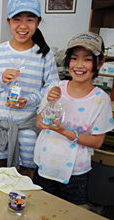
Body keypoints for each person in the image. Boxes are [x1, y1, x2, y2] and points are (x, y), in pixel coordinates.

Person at [33, 31, 114, 205]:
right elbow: (40, 124)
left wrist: (65, 131)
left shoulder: (101, 99)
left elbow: (98, 142)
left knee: (70, 212)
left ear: (100, 63)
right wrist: (50, 102)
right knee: (40, 208)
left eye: (87, 59)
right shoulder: (55, 88)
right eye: (74, 58)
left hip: (75, 171)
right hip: (45, 164)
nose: (79, 65)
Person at [0, 0, 59, 177]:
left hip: (28, 127)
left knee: (26, 172)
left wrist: (29, 100)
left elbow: (52, 89)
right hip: (1, 126)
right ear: (8, 22)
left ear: (38, 23)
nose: (23, 26)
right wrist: (1, 80)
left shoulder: (45, 55)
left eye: (30, 20)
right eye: (17, 19)